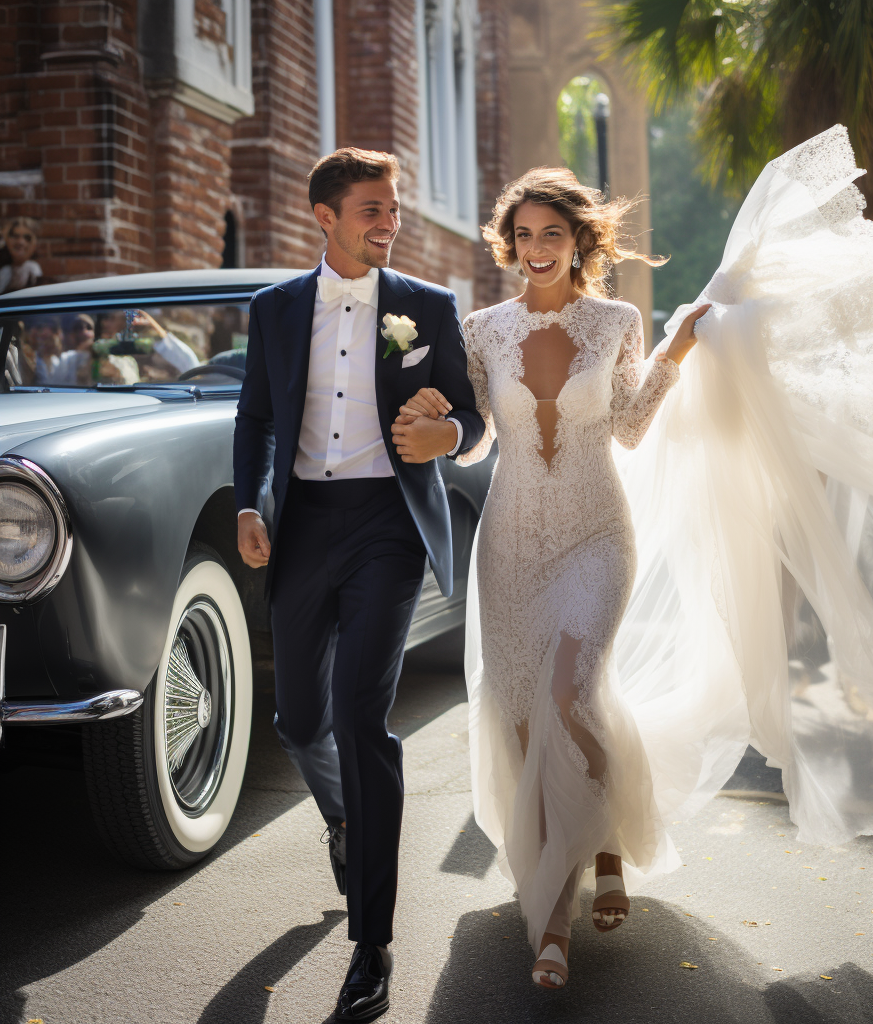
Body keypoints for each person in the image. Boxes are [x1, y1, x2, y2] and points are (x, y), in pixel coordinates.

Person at [398, 128, 873, 989]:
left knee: (571, 692)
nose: (535, 250)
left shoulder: (617, 321)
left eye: (551, 234)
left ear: (579, 241)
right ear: (509, 243)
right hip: (511, 541)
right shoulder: (482, 330)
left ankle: (553, 918)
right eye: (522, 235)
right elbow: (480, 435)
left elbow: (632, 427)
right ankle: (604, 848)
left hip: (598, 534)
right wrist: (440, 429)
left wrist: (675, 352)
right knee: (526, 713)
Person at [233, 147, 484, 1023]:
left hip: (388, 529)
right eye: (372, 210)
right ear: (326, 218)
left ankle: (370, 942)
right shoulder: (272, 309)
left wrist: (446, 436)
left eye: (394, 210)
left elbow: (473, 416)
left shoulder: (428, 307)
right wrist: (248, 504)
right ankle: (345, 820)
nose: (390, 224)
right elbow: (257, 416)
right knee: (299, 721)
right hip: (303, 531)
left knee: (360, 718)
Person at [0, 218, 42, 293]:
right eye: (15, 236)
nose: (21, 242)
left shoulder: (32, 269)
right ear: (6, 240)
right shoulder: (5, 271)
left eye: (27, 238)